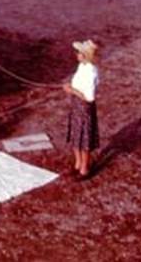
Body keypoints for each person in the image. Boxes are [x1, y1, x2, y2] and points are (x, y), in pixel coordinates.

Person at [63, 39, 100, 179]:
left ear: (85, 55)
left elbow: (89, 98)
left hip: (84, 107)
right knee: (76, 135)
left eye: (79, 52)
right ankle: (77, 164)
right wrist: (71, 88)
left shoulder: (91, 72)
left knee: (84, 139)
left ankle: (84, 169)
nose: (76, 54)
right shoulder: (82, 66)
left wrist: (71, 90)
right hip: (76, 105)